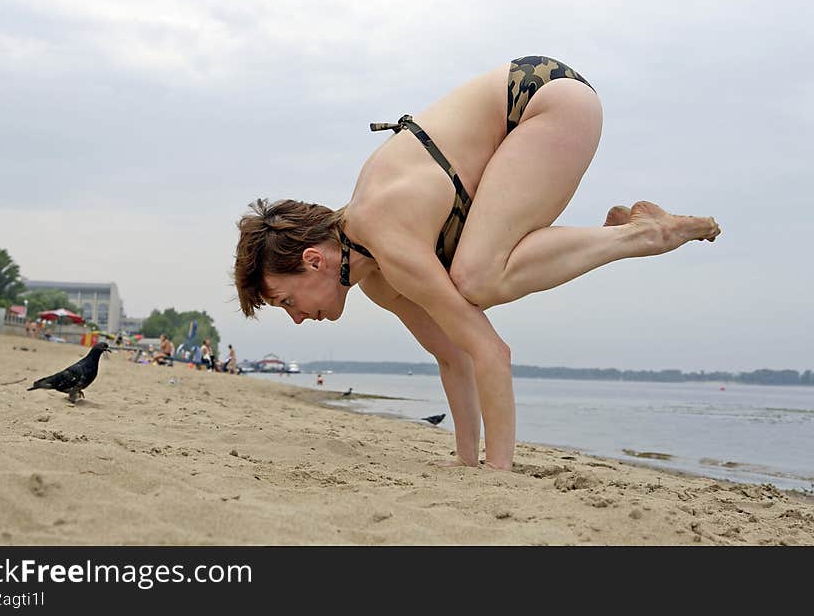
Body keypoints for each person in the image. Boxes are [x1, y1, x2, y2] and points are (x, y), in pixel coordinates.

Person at [233, 55, 720, 471]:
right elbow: (453, 354)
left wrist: (498, 471)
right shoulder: (379, 279)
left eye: (287, 301)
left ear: (313, 260)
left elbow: (490, 350)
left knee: (476, 276)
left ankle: (643, 234)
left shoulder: (383, 234)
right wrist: (467, 460)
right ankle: (622, 232)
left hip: (546, 101)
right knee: (475, 276)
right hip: (532, 108)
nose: (297, 318)